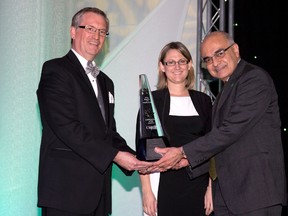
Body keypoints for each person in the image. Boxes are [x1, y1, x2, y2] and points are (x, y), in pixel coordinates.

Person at [147, 31, 287, 215]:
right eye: (208, 59)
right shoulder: (225, 91)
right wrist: (186, 161)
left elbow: (231, 131)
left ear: (235, 50)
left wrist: (183, 152)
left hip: (255, 192)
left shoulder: (253, 79)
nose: (215, 62)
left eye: (219, 53)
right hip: (229, 195)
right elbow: (223, 145)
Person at [36, 7, 151, 216]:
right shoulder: (55, 70)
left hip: (99, 194)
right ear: (73, 31)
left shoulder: (106, 82)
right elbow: (67, 128)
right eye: (90, 28)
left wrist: (139, 158)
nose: (96, 36)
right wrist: (116, 156)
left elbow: (109, 133)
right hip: (65, 193)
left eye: (102, 31)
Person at [138, 41, 214, 216]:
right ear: (162, 67)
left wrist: (211, 187)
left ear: (189, 65)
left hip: (198, 183)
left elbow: (212, 147)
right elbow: (142, 150)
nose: (177, 66)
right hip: (161, 183)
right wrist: (147, 192)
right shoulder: (151, 100)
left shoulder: (203, 101)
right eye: (170, 62)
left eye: (182, 61)